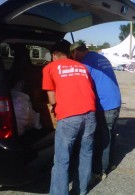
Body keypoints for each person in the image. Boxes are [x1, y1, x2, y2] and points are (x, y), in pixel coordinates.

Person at [42, 39, 96, 195]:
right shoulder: (82, 67)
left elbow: (52, 100)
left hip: (69, 117)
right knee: (85, 154)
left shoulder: (50, 68)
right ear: (68, 53)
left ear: (54, 55)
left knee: (62, 160)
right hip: (90, 115)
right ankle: (81, 190)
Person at [70, 42, 121, 180]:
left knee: (102, 138)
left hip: (105, 104)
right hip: (115, 101)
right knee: (110, 135)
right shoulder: (100, 57)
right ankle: (110, 164)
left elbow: (83, 87)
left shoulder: (86, 63)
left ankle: (99, 170)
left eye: (72, 55)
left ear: (75, 52)